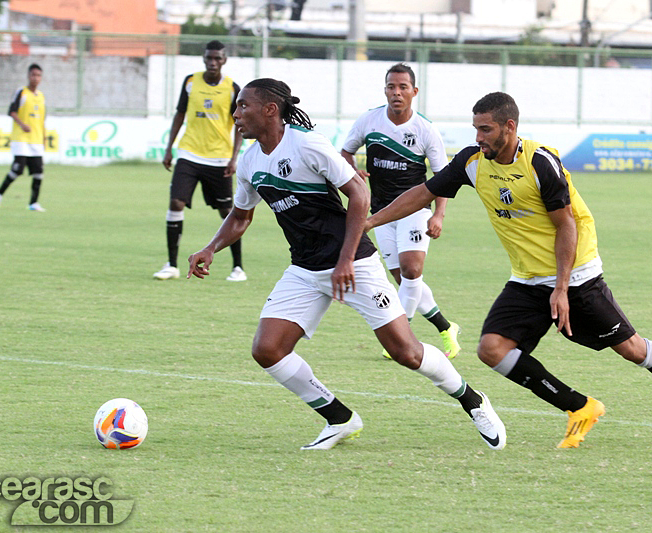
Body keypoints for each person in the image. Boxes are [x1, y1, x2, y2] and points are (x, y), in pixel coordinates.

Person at [366, 92, 652, 449]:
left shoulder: (539, 162)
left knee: (631, 349)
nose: (478, 137)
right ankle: (579, 406)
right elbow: (422, 194)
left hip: (576, 274)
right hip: (528, 278)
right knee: (492, 349)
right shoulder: (472, 162)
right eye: (475, 129)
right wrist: (369, 223)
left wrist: (561, 288)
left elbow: (567, 226)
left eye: (486, 129)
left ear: (509, 127)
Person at [186, 78, 506, 451]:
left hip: (354, 262)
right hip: (305, 270)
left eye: (243, 106)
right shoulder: (251, 161)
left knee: (407, 352)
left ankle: (473, 400)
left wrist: (344, 260)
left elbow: (359, 193)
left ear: (270, 110)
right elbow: (241, 217)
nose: (236, 113)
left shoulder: (308, 144)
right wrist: (210, 248)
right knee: (268, 349)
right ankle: (339, 419)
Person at [341, 63, 461, 360]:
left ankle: (400, 338)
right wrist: (352, 169)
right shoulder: (369, 120)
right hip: (380, 213)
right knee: (407, 280)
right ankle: (447, 328)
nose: (396, 92)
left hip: (415, 210)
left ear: (414, 92)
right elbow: (344, 151)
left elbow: (442, 176)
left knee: (411, 270)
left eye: (403, 87)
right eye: (391, 87)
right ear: (385, 90)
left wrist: (438, 214)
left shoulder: (425, 129)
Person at [154, 40, 246, 282]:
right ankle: (171, 264)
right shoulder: (190, 82)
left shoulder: (232, 89)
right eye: (209, 58)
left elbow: (239, 125)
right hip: (189, 154)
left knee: (229, 211)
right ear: (204, 58)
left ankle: (238, 267)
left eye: (217, 58)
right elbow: (180, 114)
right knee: (175, 202)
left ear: (224, 60)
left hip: (219, 159)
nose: (212, 62)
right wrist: (169, 148)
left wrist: (234, 157)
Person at [0, 64, 47, 212]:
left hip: (36, 140)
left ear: (41, 78)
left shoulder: (41, 97)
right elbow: (12, 111)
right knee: (17, 170)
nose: (36, 78)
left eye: (38, 75)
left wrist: (44, 138)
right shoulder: (21, 92)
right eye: (33, 75)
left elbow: (42, 120)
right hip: (21, 139)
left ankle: (33, 203)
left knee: (39, 173)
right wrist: (22, 125)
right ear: (29, 76)